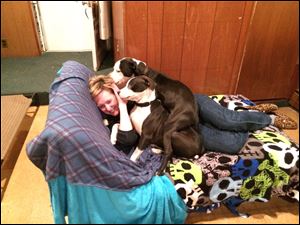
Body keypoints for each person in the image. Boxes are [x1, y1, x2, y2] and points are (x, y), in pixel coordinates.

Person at [88, 74, 298, 155]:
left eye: (109, 100)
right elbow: (128, 139)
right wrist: (121, 106)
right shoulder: (117, 117)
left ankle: (266, 118)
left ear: (115, 90)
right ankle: (249, 114)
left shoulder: (134, 88)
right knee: (232, 144)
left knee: (227, 120)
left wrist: (122, 96)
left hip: (188, 106)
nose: (107, 107)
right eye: (101, 106)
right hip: (181, 128)